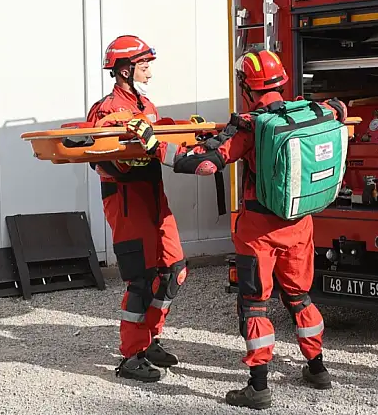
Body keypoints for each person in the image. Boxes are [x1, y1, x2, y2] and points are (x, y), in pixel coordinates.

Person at [126, 48, 348, 410]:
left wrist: (154, 145)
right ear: (281, 82)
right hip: (299, 225)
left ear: (247, 87)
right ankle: (317, 368)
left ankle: (258, 388)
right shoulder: (311, 110)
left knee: (255, 305)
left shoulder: (249, 125)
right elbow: (339, 109)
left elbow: (204, 164)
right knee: (300, 298)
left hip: (258, 233)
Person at [87, 35, 187, 382]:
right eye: (144, 65)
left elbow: (158, 139)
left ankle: (149, 338)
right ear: (125, 70)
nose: (149, 72)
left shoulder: (147, 106)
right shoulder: (106, 110)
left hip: (155, 196)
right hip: (126, 199)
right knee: (140, 280)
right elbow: (98, 159)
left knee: (174, 269)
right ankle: (131, 356)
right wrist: (131, 157)